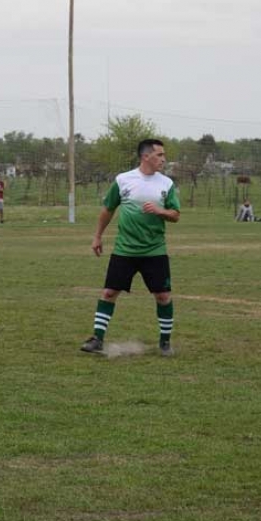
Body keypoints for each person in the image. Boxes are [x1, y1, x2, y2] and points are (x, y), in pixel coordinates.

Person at [81, 138, 180, 357]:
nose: (164, 159)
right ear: (146, 156)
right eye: (160, 155)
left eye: (164, 155)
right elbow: (108, 209)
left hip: (155, 251)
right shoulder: (123, 180)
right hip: (124, 250)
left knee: (163, 296)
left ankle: (165, 342)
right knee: (108, 292)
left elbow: (176, 215)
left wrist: (160, 211)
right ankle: (97, 339)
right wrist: (97, 236)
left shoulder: (166, 184)